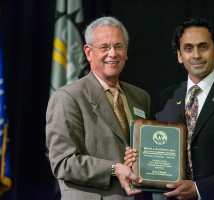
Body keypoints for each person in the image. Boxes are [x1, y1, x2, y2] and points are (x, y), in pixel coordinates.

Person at [125, 17, 214, 200]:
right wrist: (137, 159)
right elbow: (157, 155)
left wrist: (201, 189)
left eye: (203, 47)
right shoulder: (166, 98)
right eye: (188, 48)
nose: (196, 55)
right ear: (179, 55)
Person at [46, 16, 151, 200]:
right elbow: (63, 163)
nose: (112, 53)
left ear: (126, 52)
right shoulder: (68, 97)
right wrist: (113, 168)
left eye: (119, 46)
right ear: (88, 52)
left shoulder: (140, 97)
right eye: (104, 47)